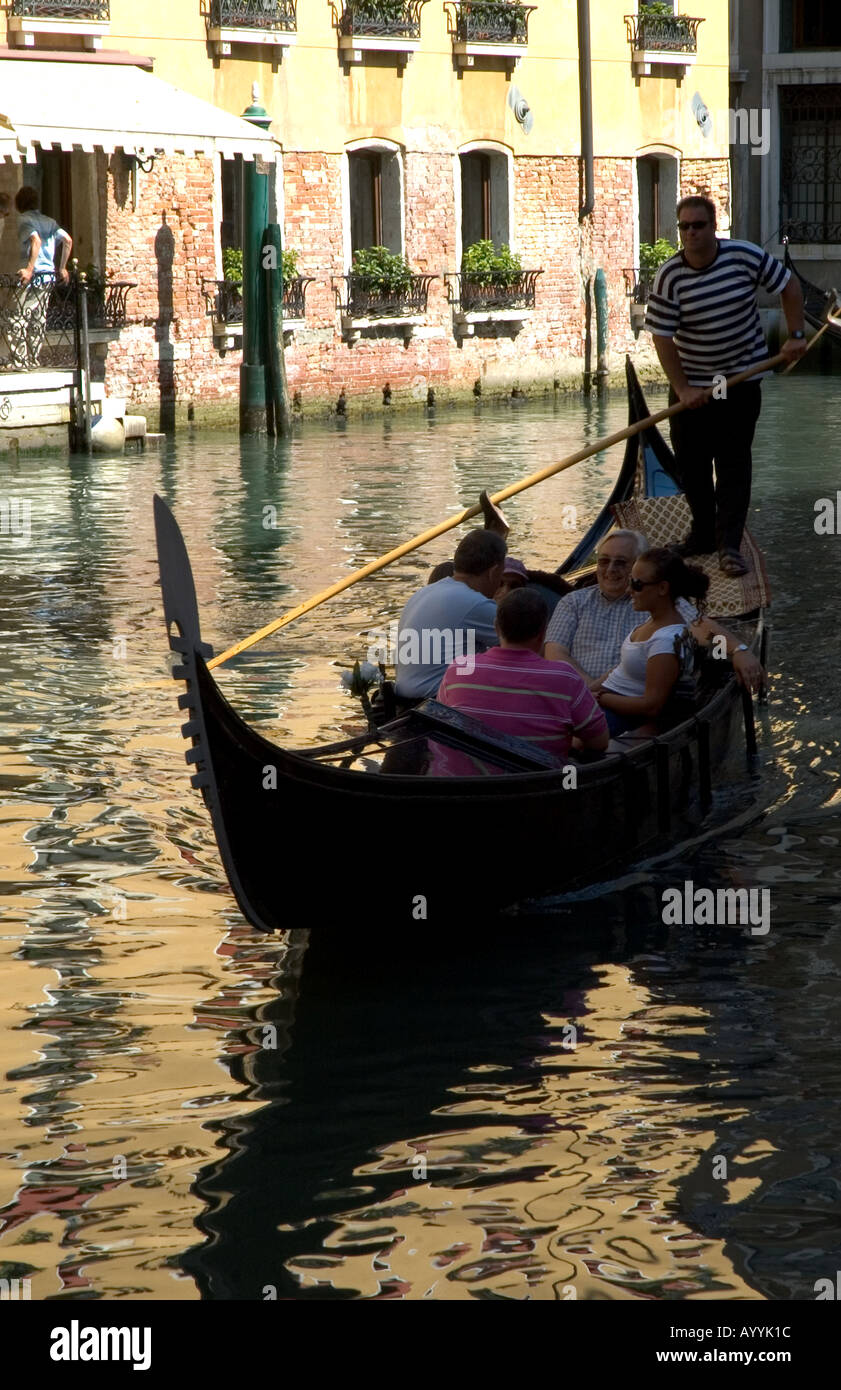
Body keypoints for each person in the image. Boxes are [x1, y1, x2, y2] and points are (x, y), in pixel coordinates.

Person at [645, 194, 806, 577]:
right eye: (683, 227)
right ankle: (702, 535)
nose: (690, 233)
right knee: (692, 466)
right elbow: (662, 338)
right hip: (694, 386)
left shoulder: (744, 256)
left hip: (739, 382)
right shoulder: (669, 276)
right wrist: (682, 389)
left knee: (733, 464)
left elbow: (789, 286)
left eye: (697, 226)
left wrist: (796, 334)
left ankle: (729, 544)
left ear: (713, 227)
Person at [544, 528, 764, 693]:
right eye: (604, 562)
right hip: (579, 696)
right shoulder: (573, 601)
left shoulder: (657, 600)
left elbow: (702, 628)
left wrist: (738, 650)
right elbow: (555, 653)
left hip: (634, 701)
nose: (610, 570)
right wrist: (590, 689)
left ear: (639, 567)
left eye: (621, 563)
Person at [437, 587, 608, 765]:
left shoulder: (459, 668)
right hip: (535, 785)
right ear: (543, 633)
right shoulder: (565, 678)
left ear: (496, 627)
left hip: (464, 785)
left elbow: (441, 724)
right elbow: (599, 742)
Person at [595, 548, 709, 737]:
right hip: (605, 702)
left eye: (637, 584)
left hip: (617, 716)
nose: (629, 589)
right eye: (631, 581)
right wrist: (583, 691)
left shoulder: (665, 642)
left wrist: (600, 698)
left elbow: (650, 707)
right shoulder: (652, 623)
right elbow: (620, 671)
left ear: (663, 588)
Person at [394, 528, 505, 699]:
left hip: (403, 701)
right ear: (494, 572)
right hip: (437, 707)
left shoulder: (422, 594)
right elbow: (524, 643)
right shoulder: (475, 603)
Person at [10, 185, 72, 369]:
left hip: (33, 277)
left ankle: (21, 360)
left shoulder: (23, 219)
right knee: (38, 318)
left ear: (19, 204)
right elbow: (67, 240)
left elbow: (35, 240)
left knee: (17, 317)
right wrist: (62, 268)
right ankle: (33, 358)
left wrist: (29, 269)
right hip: (48, 277)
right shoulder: (50, 221)